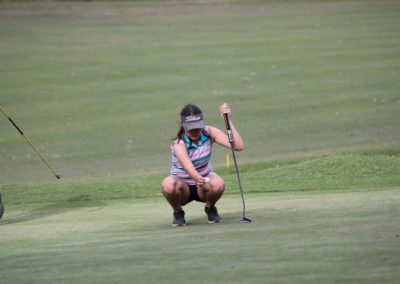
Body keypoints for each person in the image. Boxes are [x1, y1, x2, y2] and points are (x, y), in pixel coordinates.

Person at [161, 103, 244, 226]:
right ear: (183, 125)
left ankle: (210, 208)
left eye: (197, 127)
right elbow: (188, 166)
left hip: (204, 185)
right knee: (168, 184)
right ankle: (178, 211)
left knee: (218, 183)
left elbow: (238, 146)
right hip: (183, 187)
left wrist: (227, 120)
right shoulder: (179, 143)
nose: (195, 131)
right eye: (191, 128)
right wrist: (196, 177)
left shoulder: (209, 132)